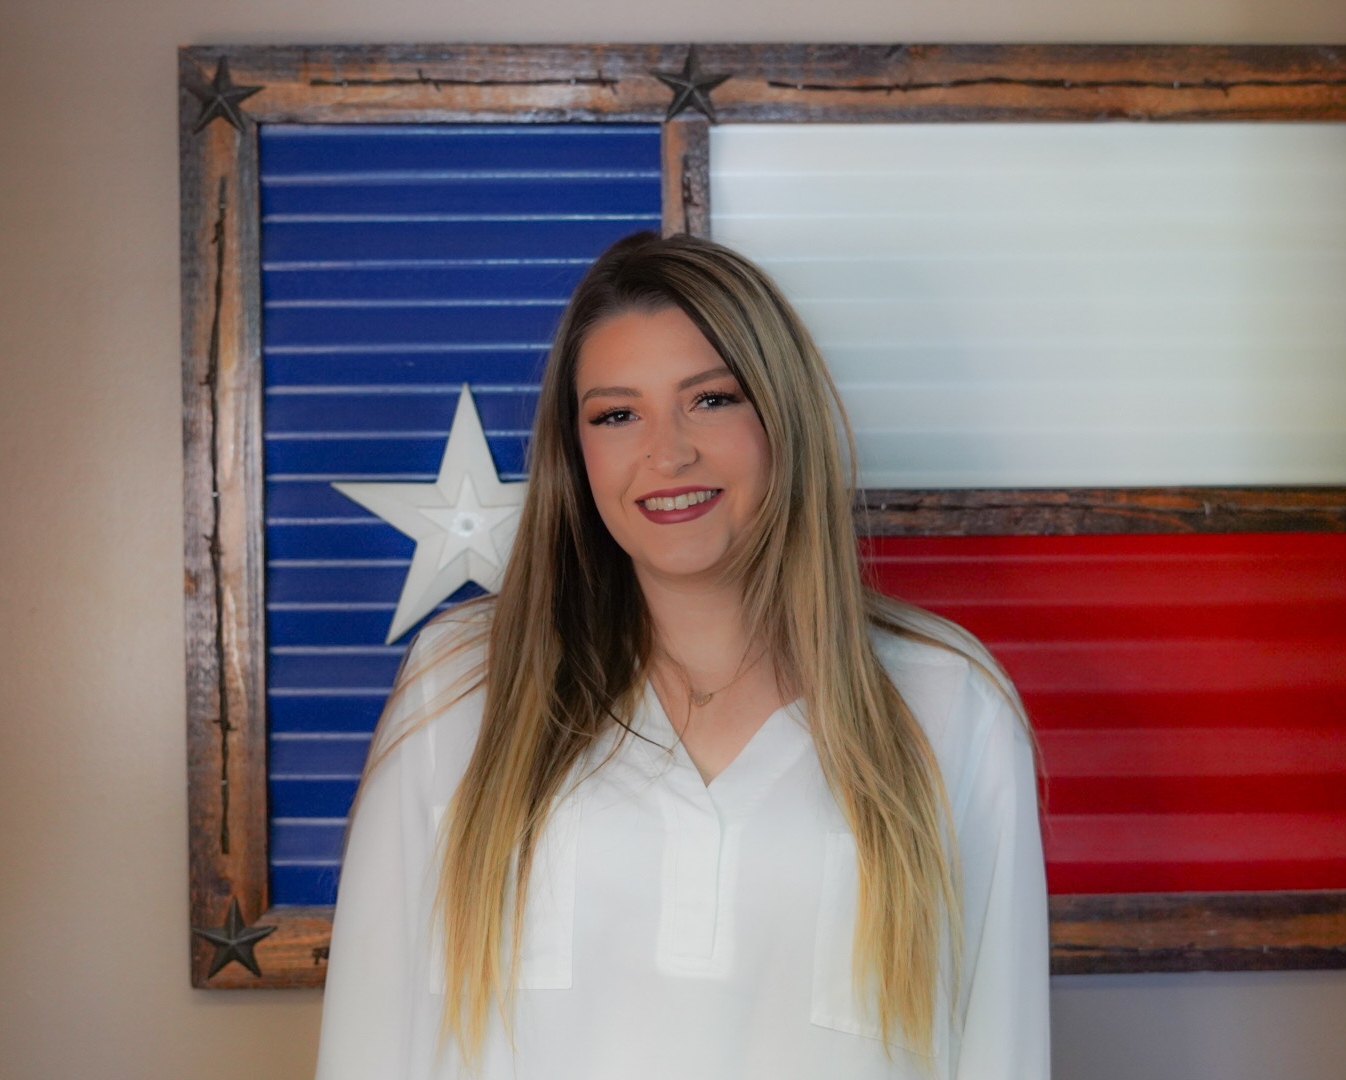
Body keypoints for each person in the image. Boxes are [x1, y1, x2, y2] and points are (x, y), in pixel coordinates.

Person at [314, 232, 1049, 1079]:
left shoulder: (948, 700)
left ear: (782, 417)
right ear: (576, 452)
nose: (667, 453)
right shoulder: (459, 681)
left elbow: (1001, 1050)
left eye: (711, 399)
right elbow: (368, 1044)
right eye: (616, 414)